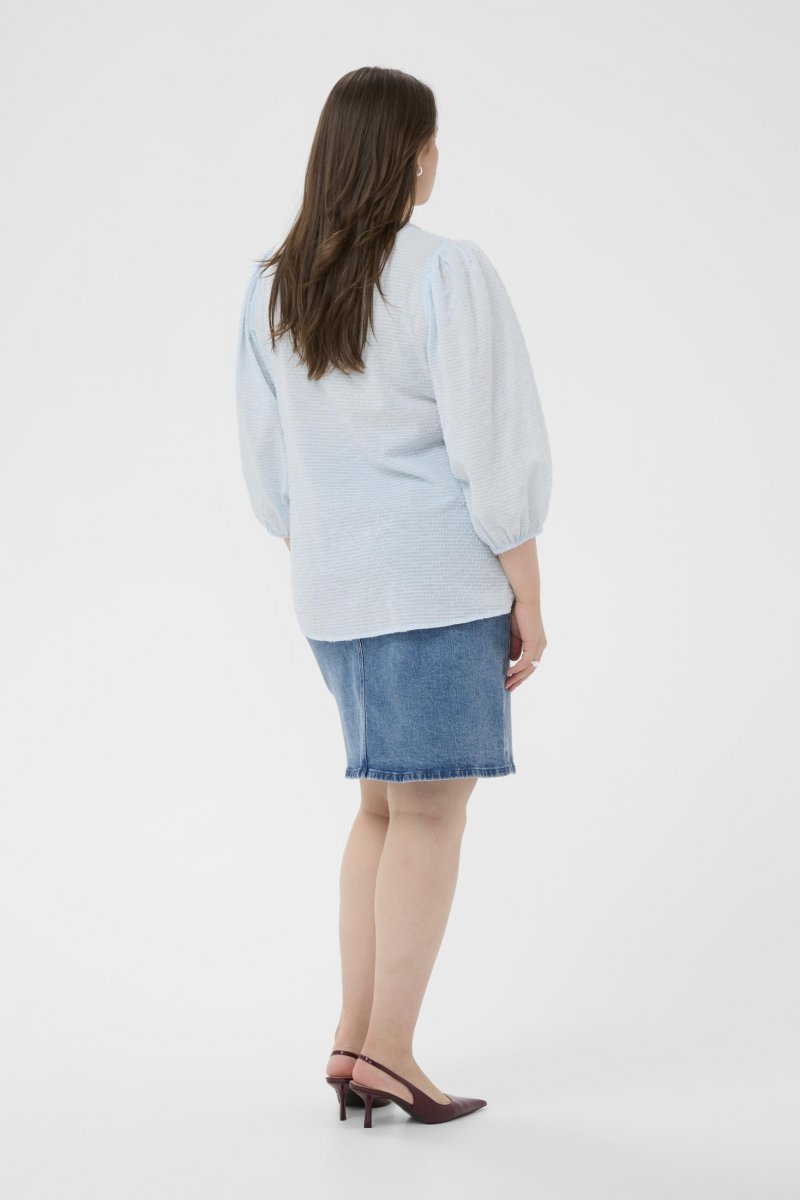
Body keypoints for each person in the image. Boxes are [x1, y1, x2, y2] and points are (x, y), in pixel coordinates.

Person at [234, 66, 553, 1127]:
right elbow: (493, 450)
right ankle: (391, 1053)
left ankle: (354, 1037)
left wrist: (328, 547)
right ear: (409, 157)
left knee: (379, 804)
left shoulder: (273, 290)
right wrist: (526, 587)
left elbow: (268, 471)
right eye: (430, 143)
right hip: (432, 587)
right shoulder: (441, 273)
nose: (435, 160)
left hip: (331, 595)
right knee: (428, 810)